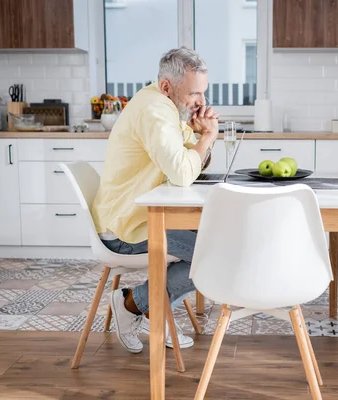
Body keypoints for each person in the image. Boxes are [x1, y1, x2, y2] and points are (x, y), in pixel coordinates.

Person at [91, 47, 218, 354]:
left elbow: (191, 162)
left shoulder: (165, 107)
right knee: (214, 254)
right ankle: (133, 304)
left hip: (139, 217)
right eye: (194, 93)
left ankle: (149, 308)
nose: (201, 102)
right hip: (125, 230)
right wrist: (207, 138)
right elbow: (184, 173)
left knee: (212, 239)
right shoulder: (156, 112)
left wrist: (199, 137)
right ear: (166, 87)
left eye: (203, 92)